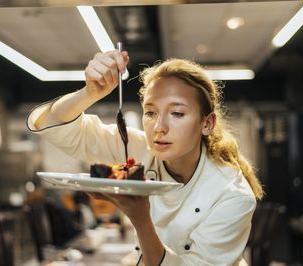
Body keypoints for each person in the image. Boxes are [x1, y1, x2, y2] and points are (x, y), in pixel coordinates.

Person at [27, 49, 263, 266]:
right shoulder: (138, 149)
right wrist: (89, 93)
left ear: (207, 123)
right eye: (150, 112)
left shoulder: (232, 195)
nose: (159, 127)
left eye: (177, 113)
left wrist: (140, 219)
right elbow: (53, 125)